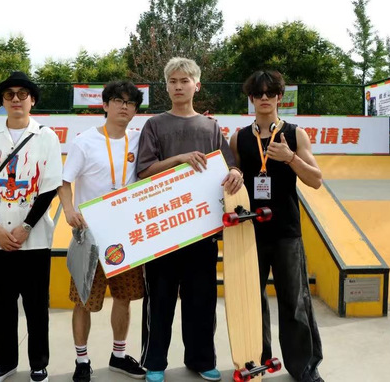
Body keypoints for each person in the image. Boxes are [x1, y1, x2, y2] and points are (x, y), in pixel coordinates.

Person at [137, 57, 244, 382]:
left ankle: (201, 359)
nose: (179, 86)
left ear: (197, 85)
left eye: (185, 80)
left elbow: (229, 165)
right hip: (163, 230)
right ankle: (155, 363)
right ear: (166, 86)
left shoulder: (210, 127)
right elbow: (144, 172)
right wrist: (179, 159)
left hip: (202, 230)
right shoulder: (155, 125)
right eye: (173, 81)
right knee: (160, 301)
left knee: (201, 301)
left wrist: (236, 172)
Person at [0, 71, 62, 382]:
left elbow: (49, 187)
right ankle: (4, 362)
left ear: (33, 100)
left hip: (34, 239)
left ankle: (39, 364)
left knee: (36, 305)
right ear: (3, 102)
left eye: (23, 94)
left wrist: (26, 227)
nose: (16, 99)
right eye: (9, 95)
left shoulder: (46, 137)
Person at [229, 70, 324, 382]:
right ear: (251, 98)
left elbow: (316, 180)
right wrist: (234, 172)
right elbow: (233, 175)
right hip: (249, 231)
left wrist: (290, 157)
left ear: (280, 97)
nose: (265, 98)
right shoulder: (240, 138)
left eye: (271, 93)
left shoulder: (295, 135)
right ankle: (256, 361)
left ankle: (304, 367)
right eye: (258, 94)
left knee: (295, 302)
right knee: (252, 301)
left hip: (286, 231)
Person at [58, 81, 147, 382]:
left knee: (125, 297)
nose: (124, 107)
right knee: (83, 300)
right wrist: (68, 210)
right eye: (118, 100)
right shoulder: (85, 142)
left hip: (125, 235)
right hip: (90, 235)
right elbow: (64, 182)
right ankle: (82, 360)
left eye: (131, 103)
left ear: (135, 110)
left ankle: (118, 356)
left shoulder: (139, 139)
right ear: (105, 105)